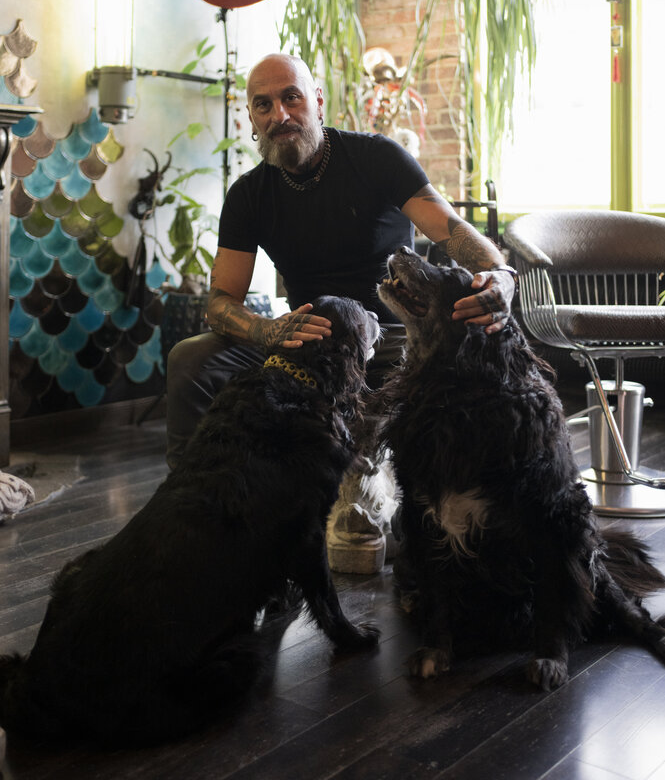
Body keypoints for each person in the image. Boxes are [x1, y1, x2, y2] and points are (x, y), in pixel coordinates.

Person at [165, 53, 516, 469]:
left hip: (390, 337)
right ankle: (195, 493)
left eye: (291, 98)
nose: (280, 114)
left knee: (469, 352)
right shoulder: (248, 196)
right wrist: (267, 330)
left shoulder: (376, 158)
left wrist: (500, 273)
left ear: (317, 101)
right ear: (253, 117)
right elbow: (221, 302)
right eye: (264, 105)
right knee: (190, 359)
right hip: (308, 343)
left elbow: (451, 228)